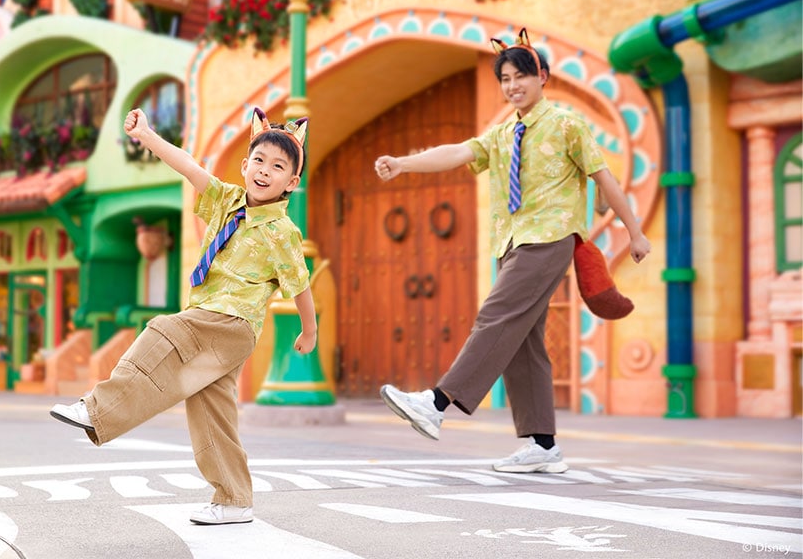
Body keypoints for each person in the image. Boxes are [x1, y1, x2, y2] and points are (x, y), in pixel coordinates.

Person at [374, 28, 651, 474]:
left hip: (549, 238)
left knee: (496, 317)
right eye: (505, 78)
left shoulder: (567, 125)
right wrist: (404, 163)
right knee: (524, 343)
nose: (512, 85)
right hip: (511, 241)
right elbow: (457, 151)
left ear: (543, 77)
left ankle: (437, 402)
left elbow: (605, 179)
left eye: (521, 75)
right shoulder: (503, 133)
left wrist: (635, 233)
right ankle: (543, 445)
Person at [50, 106, 316, 524]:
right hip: (207, 315)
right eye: (260, 161)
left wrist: (310, 330)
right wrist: (149, 136)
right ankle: (234, 500)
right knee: (211, 407)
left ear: (291, 182)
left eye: (279, 167)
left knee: (163, 327)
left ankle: (98, 409)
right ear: (246, 165)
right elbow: (189, 166)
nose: (266, 171)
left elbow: (300, 284)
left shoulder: (282, 232)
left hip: (233, 324)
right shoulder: (227, 199)